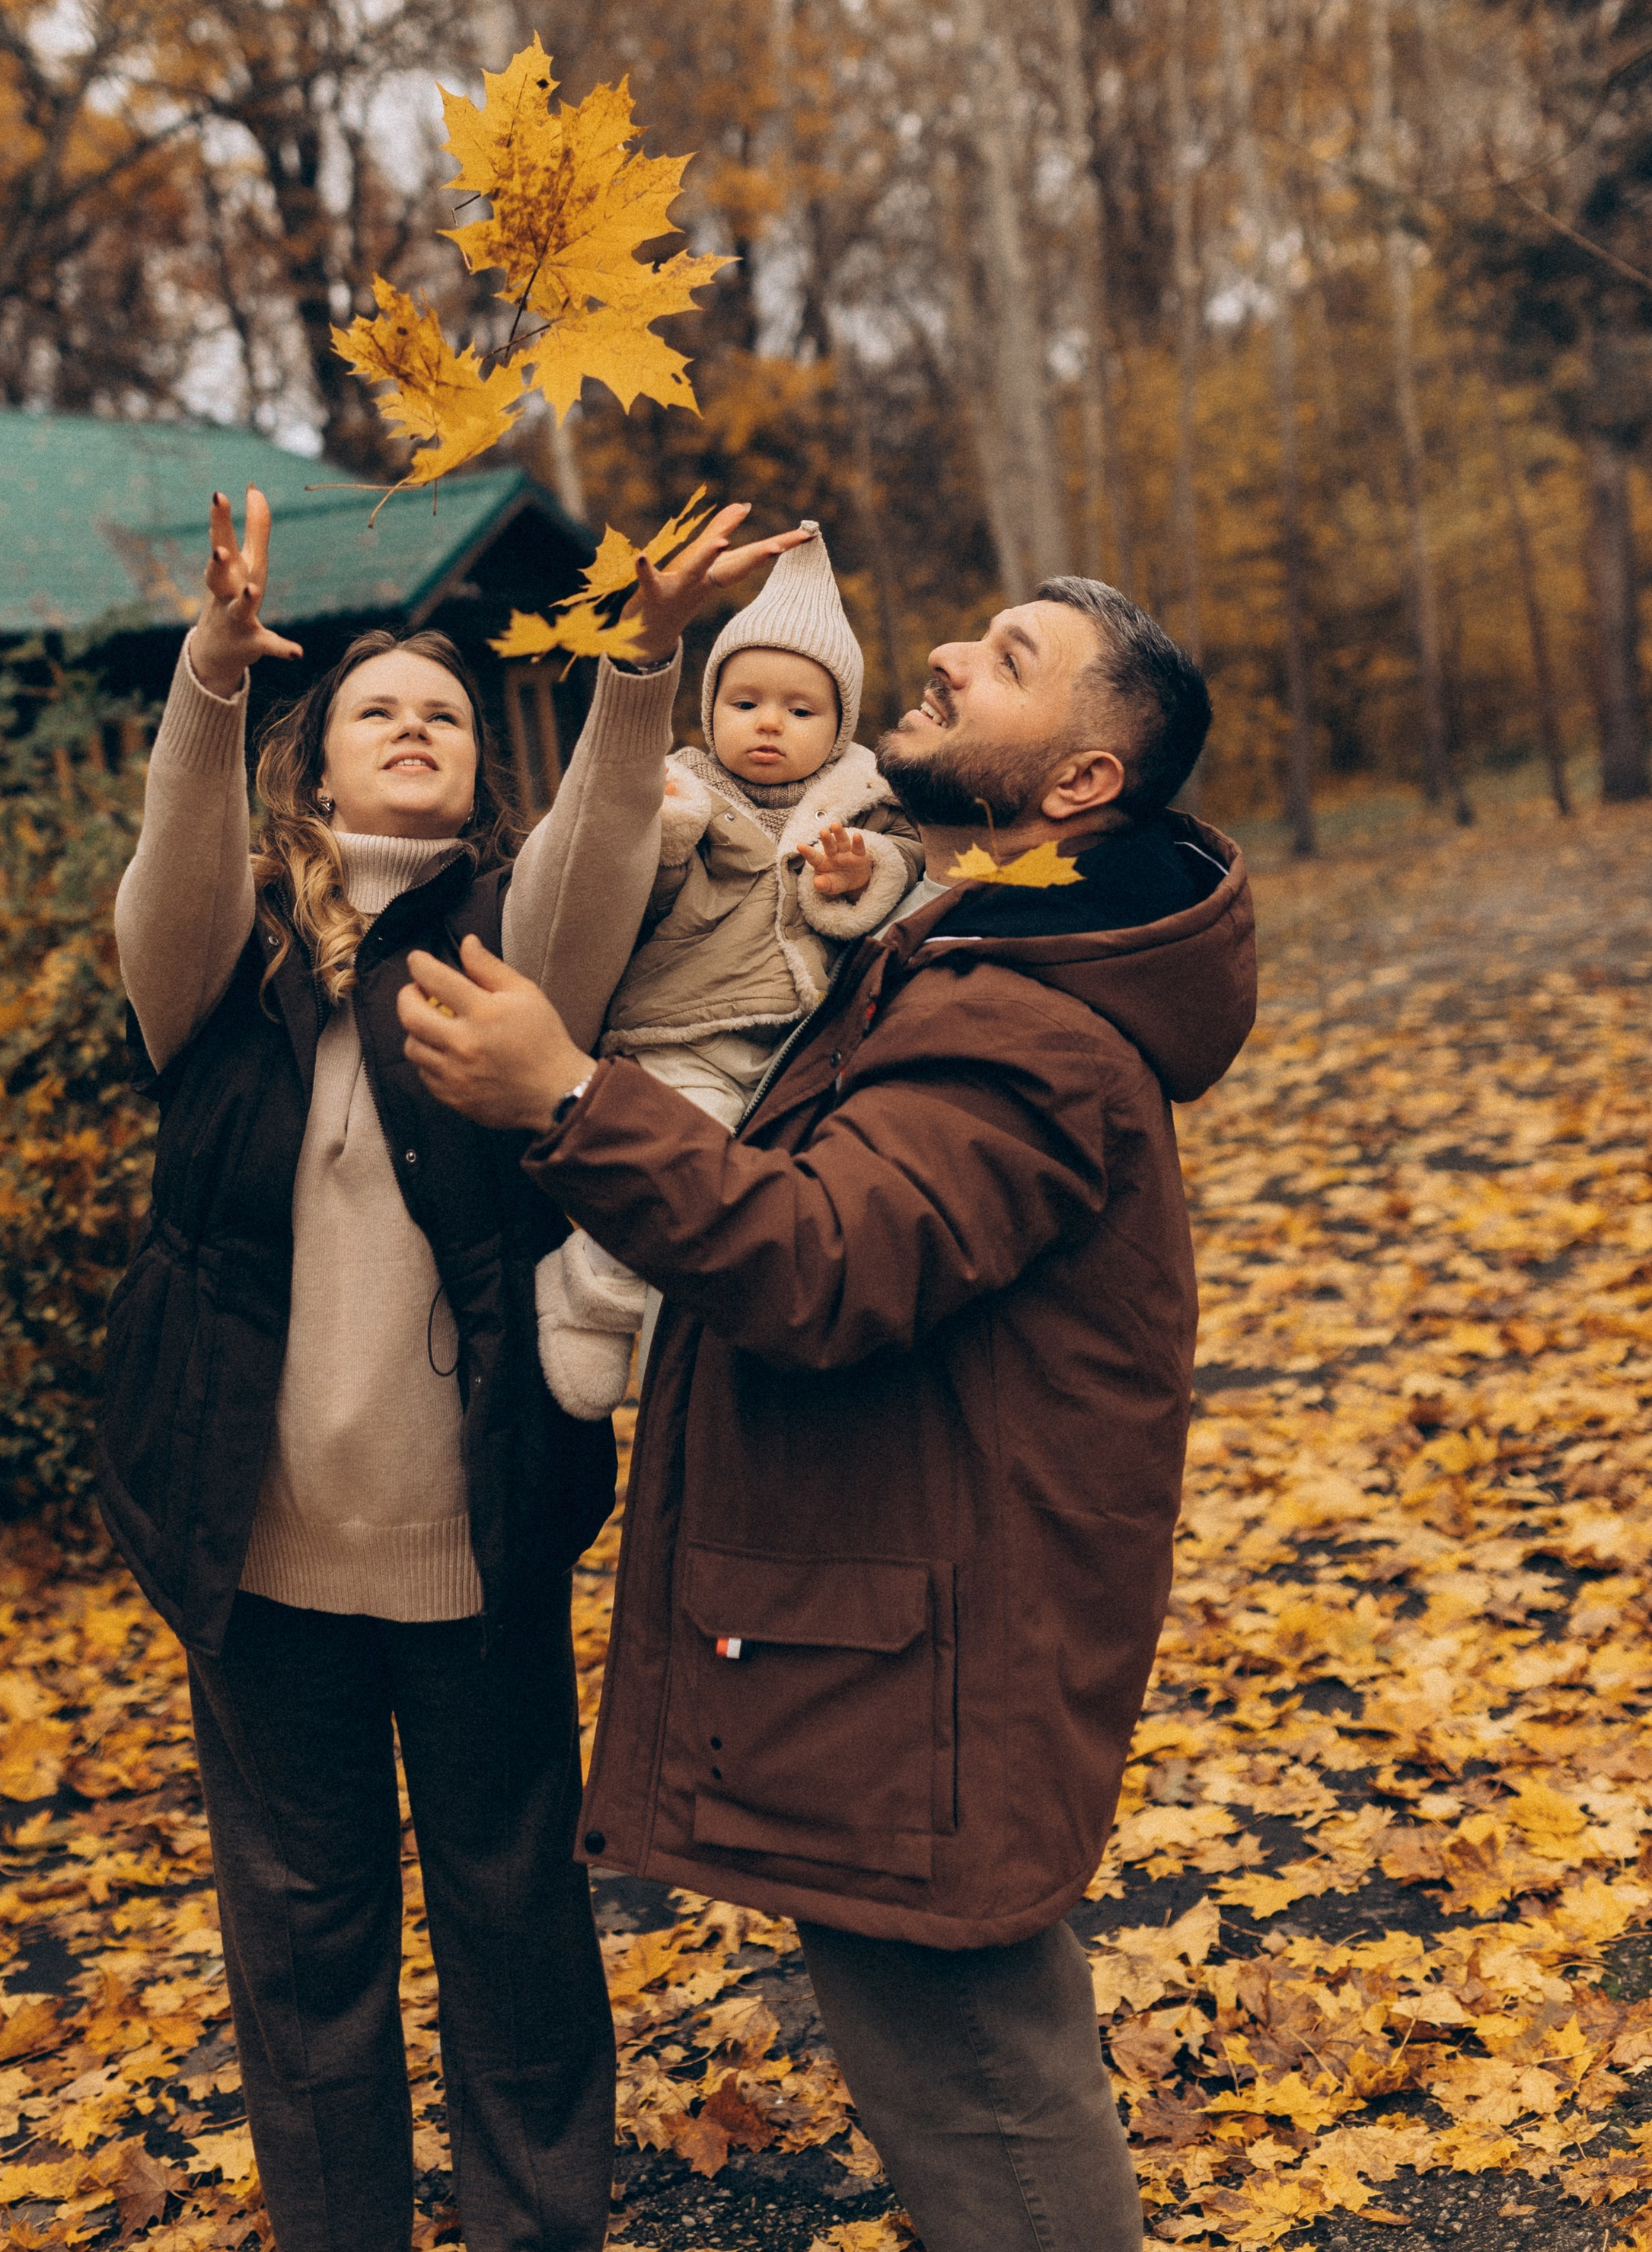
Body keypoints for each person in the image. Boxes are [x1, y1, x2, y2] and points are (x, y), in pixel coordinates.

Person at [394, 576, 1258, 2252]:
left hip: (931, 1651)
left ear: (1080, 783)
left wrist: (570, 1096)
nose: (942, 654)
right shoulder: (962, 946)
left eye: (1007, 662)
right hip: (905, 1631)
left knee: (987, 2106)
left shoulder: (1027, 1022)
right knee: (955, 2072)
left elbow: (823, 1258)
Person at [96, 483, 809, 2252]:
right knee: (300, 1930)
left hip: (469, 1537)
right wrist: (210, 675)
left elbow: (592, 840)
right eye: (368, 709)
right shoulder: (226, 961)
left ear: (469, 763)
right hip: (251, 1551)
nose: (409, 721)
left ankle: (534, 2223)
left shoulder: (511, 948)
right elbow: (163, 875)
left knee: (510, 1915)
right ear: (314, 773)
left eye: (439, 709)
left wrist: (639, 658)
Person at [534, 520, 921, 1418]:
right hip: (689, 1028)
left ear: (839, 725)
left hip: (794, 1048)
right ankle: (591, 1294)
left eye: (799, 708)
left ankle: (665, 1329)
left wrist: (855, 871)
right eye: (746, 702)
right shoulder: (682, 781)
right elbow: (637, 887)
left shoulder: (863, 792)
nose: (769, 724)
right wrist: (665, 832)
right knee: (677, 1157)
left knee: (750, 1207)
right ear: (710, 709)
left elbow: (901, 861)